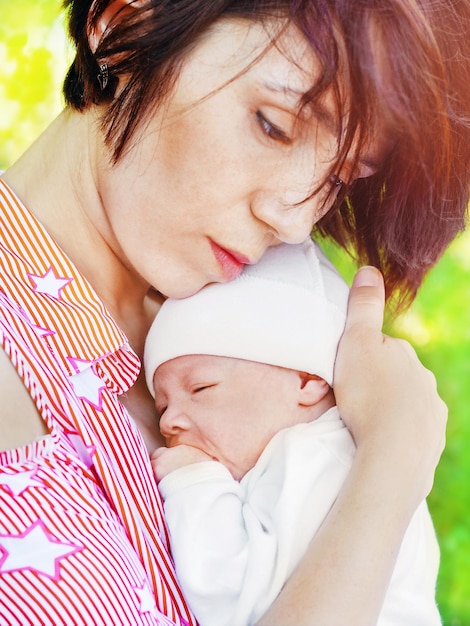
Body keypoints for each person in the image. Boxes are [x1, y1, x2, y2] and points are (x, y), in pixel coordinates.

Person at [0, 0, 468, 624]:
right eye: (273, 125)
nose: (296, 219)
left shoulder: (276, 325)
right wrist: (392, 461)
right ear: (124, 20)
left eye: (337, 179)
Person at [145, 239, 442, 626]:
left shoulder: (321, 460)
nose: (169, 423)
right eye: (162, 407)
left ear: (307, 379)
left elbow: (241, 599)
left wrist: (195, 484)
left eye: (201, 388)